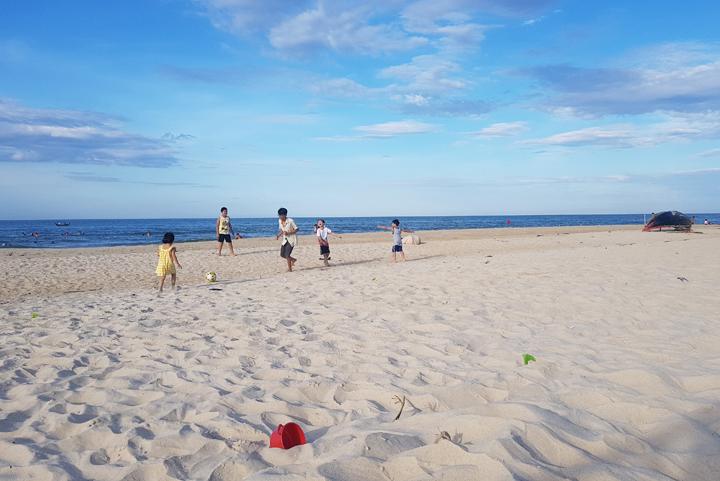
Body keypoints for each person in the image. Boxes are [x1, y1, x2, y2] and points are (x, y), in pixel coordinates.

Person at [276, 207, 298, 272]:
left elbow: (297, 229)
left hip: (291, 239)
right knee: (282, 254)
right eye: (279, 215)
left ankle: (290, 269)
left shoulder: (290, 221)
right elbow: (282, 229)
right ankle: (293, 259)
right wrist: (278, 235)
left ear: (285, 215)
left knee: (287, 255)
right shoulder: (279, 221)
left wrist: (289, 233)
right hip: (284, 239)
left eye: (281, 215)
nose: (280, 216)